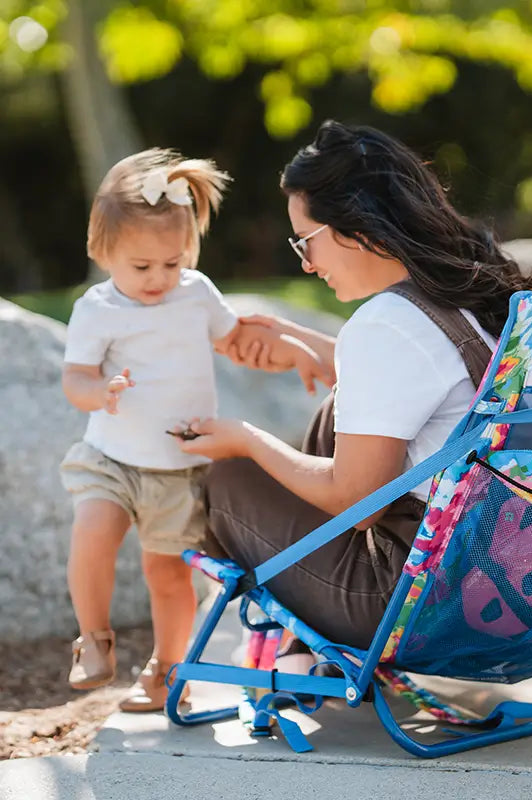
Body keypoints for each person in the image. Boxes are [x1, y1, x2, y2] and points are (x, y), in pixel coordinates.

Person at [179, 120, 532, 668]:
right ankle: (297, 647)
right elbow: (436, 390)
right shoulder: (475, 294)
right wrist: (314, 348)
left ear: (358, 226)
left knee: (226, 481)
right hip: (517, 583)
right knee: (339, 413)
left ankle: (293, 647)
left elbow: (355, 504)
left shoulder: (384, 325)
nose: (306, 264)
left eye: (306, 241)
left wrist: (246, 440)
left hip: (416, 606)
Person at [60, 148, 334, 712]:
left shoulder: (195, 292)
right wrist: (101, 393)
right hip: (111, 456)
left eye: (173, 262)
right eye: (142, 267)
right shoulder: (97, 309)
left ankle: (165, 670)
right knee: (93, 531)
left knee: (167, 576)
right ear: (103, 250)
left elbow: (237, 341)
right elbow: (77, 379)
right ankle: (94, 639)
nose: (160, 278)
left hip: (180, 466)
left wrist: (298, 353)